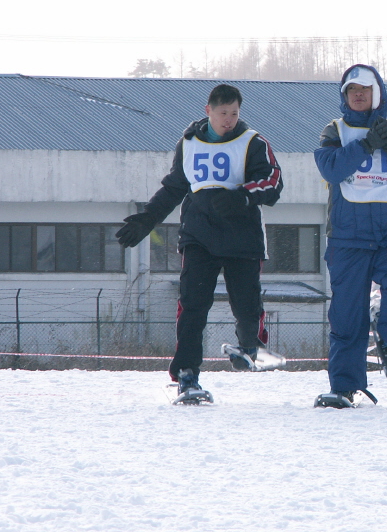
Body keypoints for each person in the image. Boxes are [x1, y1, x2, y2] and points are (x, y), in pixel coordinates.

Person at [116, 84, 285, 397]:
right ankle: (187, 374)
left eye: (234, 113)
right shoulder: (189, 142)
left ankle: (249, 346)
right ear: (208, 111)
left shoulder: (253, 142)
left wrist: (242, 197)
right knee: (192, 308)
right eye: (223, 113)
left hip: (241, 238)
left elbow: (274, 182)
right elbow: (174, 187)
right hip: (199, 237)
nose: (229, 119)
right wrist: (148, 218)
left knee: (247, 306)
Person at [313, 64, 387, 408]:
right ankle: (344, 386)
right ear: (344, 96)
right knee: (347, 316)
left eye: (365, 89)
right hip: (347, 240)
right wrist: (366, 144)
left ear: (377, 92)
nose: (359, 95)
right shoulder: (334, 130)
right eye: (352, 91)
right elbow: (331, 168)